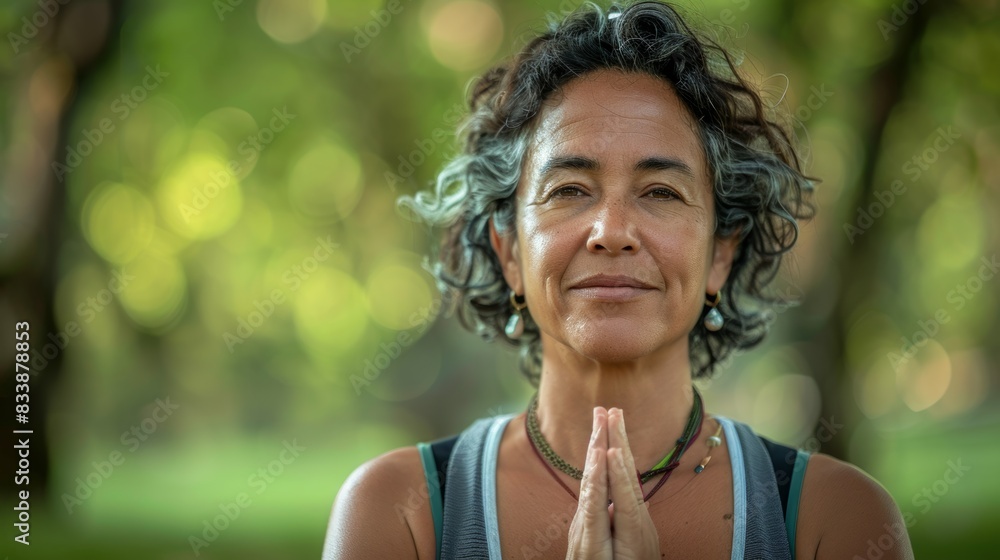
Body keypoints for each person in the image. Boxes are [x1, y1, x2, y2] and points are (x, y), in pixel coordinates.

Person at [323, 1, 915, 558]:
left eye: (661, 192)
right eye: (569, 191)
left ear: (720, 255)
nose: (611, 230)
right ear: (509, 253)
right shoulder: (398, 512)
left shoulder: (836, 519)